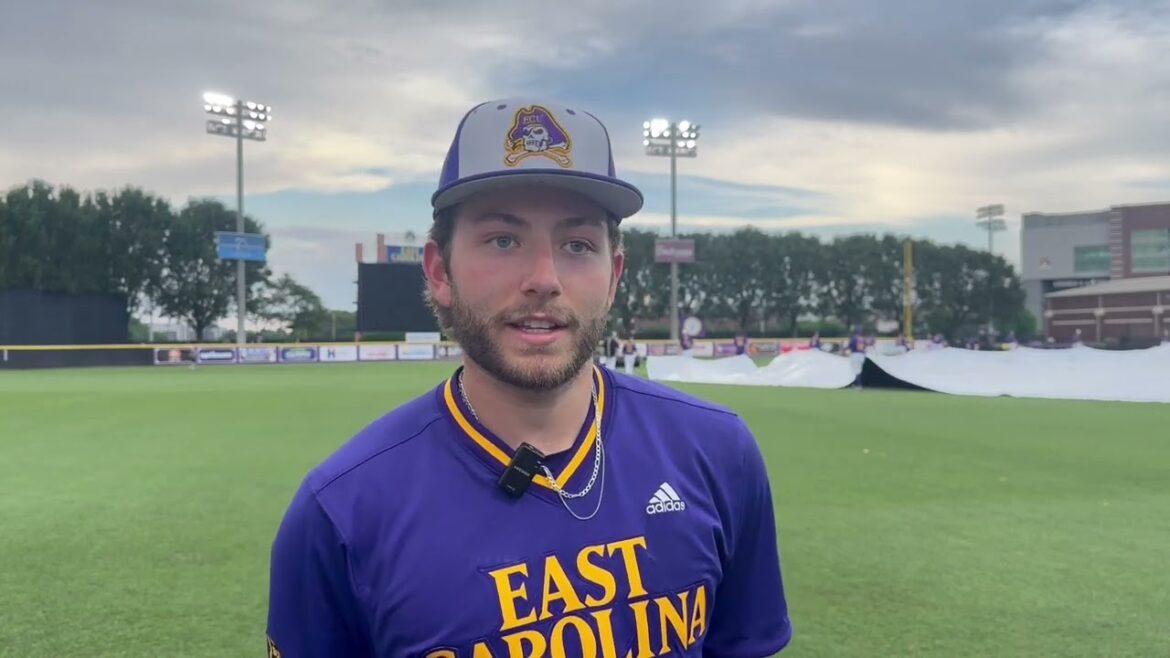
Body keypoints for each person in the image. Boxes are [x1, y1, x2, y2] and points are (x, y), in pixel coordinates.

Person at [265, 98, 792, 657]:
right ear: (440, 271)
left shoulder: (718, 452)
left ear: (613, 275)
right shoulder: (342, 510)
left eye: (577, 245)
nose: (544, 279)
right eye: (503, 240)